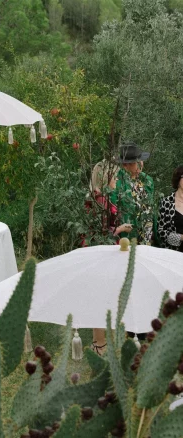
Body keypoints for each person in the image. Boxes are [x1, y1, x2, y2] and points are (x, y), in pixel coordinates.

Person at [87, 160, 132, 355]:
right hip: (101, 254)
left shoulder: (99, 197)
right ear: (105, 178)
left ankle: (100, 342)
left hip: (102, 252)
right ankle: (100, 344)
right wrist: (120, 229)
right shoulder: (100, 201)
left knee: (103, 297)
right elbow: (100, 233)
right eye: (114, 176)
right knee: (102, 297)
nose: (117, 180)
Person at [110, 142, 155, 245]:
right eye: (136, 162)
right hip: (129, 236)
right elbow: (113, 211)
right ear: (125, 165)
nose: (141, 164)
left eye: (141, 160)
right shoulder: (117, 183)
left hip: (148, 234)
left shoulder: (147, 180)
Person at [158, 165, 183, 252]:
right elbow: (161, 232)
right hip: (173, 253)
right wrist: (180, 237)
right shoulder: (166, 202)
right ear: (178, 179)